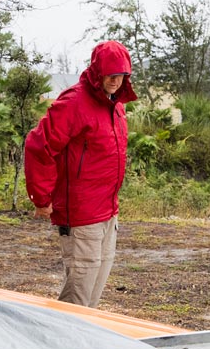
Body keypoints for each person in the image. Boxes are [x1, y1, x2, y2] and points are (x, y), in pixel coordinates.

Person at [24, 40, 136, 308]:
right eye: (110, 73)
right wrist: (41, 199)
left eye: (121, 74)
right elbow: (39, 146)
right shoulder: (75, 102)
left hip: (108, 212)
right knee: (78, 295)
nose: (115, 79)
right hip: (81, 214)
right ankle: (60, 346)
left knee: (94, 290)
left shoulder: (116, 106)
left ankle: (83, 346)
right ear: (97, 70)